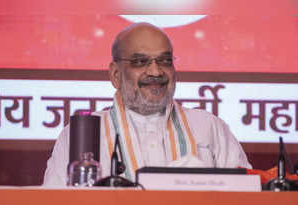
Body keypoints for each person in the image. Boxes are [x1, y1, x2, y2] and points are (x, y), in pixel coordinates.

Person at [43, 22, 251, 186]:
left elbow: (249, 200)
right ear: (116, 75)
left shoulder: (209, 127)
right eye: (140, 62)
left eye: (165, 61)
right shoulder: (81, 135)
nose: (155, 72)